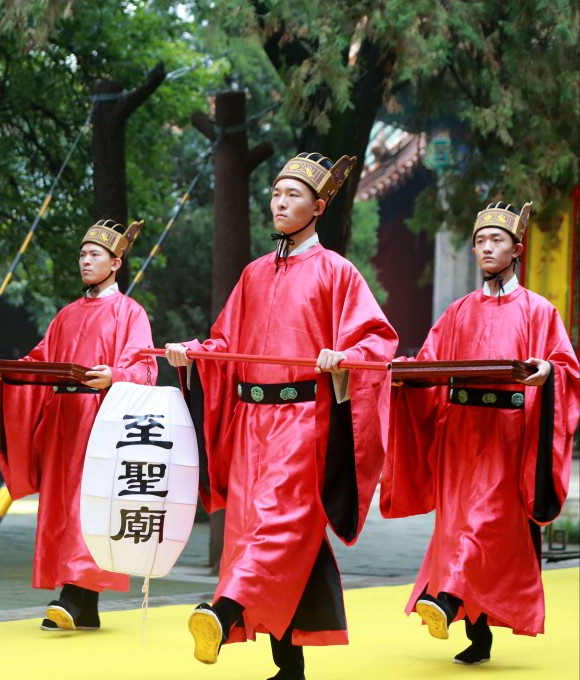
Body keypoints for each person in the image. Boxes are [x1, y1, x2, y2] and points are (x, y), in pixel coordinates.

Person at [165, 152, 397, 679]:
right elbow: (226, 342)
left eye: (292, 195)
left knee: (279, 525)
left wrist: (345, 358)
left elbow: (376, 341)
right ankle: (289, 666)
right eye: (274, 193)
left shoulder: (337, 272)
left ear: (318, 207)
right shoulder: (253, 275)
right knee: (260, 534)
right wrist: (195, 353)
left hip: (302, 422)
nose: (279, 202)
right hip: (251, 425)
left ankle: (222, 612)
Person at [380, 201, 579, 665]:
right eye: (480, 241)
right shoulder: (458, 312)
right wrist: (402, 372)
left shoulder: (539, 310)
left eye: (497, 240)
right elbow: (430, 364)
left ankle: (446, 599)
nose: (487, 248)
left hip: (508, 435)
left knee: (486, 523)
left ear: (517, 249)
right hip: (460, 432)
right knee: (457, 527)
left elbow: (566, 368)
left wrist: (548, 370)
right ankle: (478, 634)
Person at [0, 219, 155, 632]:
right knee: (62, 508)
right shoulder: (65, 314)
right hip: (62, 420)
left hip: (100, 420)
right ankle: (84, 604)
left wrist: (115, 375)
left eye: (94, 255)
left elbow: (145, 368)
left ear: (116, 262)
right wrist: (6, 374)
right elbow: (40, 361)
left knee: (90, 505)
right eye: (82, 254)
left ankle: (74, 596)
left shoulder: (129, 312)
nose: (85, 261)